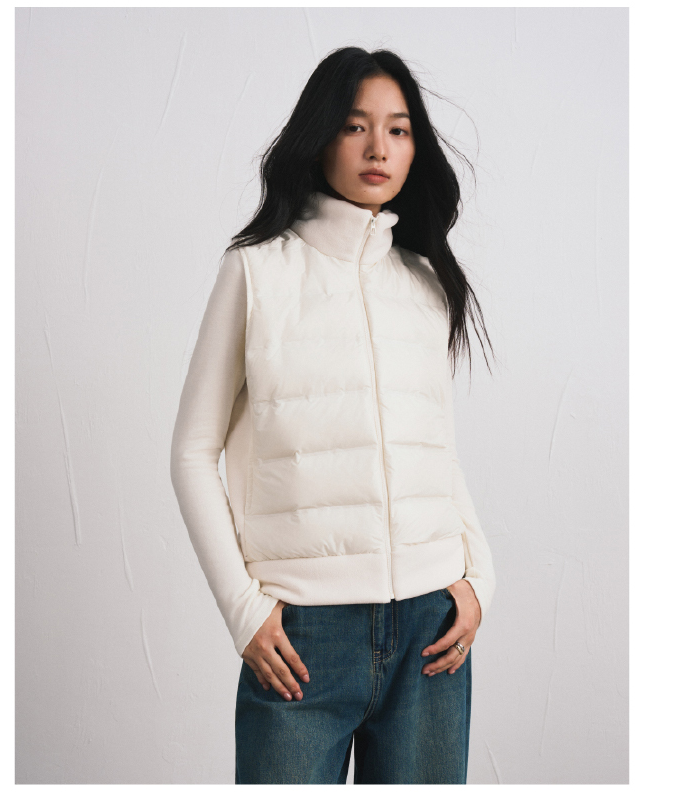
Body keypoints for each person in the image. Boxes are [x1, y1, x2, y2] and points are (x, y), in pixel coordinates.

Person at [170, 46, 496, 785]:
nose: (379, 148)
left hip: (431, 631)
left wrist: (479, 577)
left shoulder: (425, 280)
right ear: (320, 138)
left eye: (399, 129)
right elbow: (191, 451)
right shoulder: (256, 269)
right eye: (356, 126)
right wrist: (243, 609)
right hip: (304, 638)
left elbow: (438, 452)